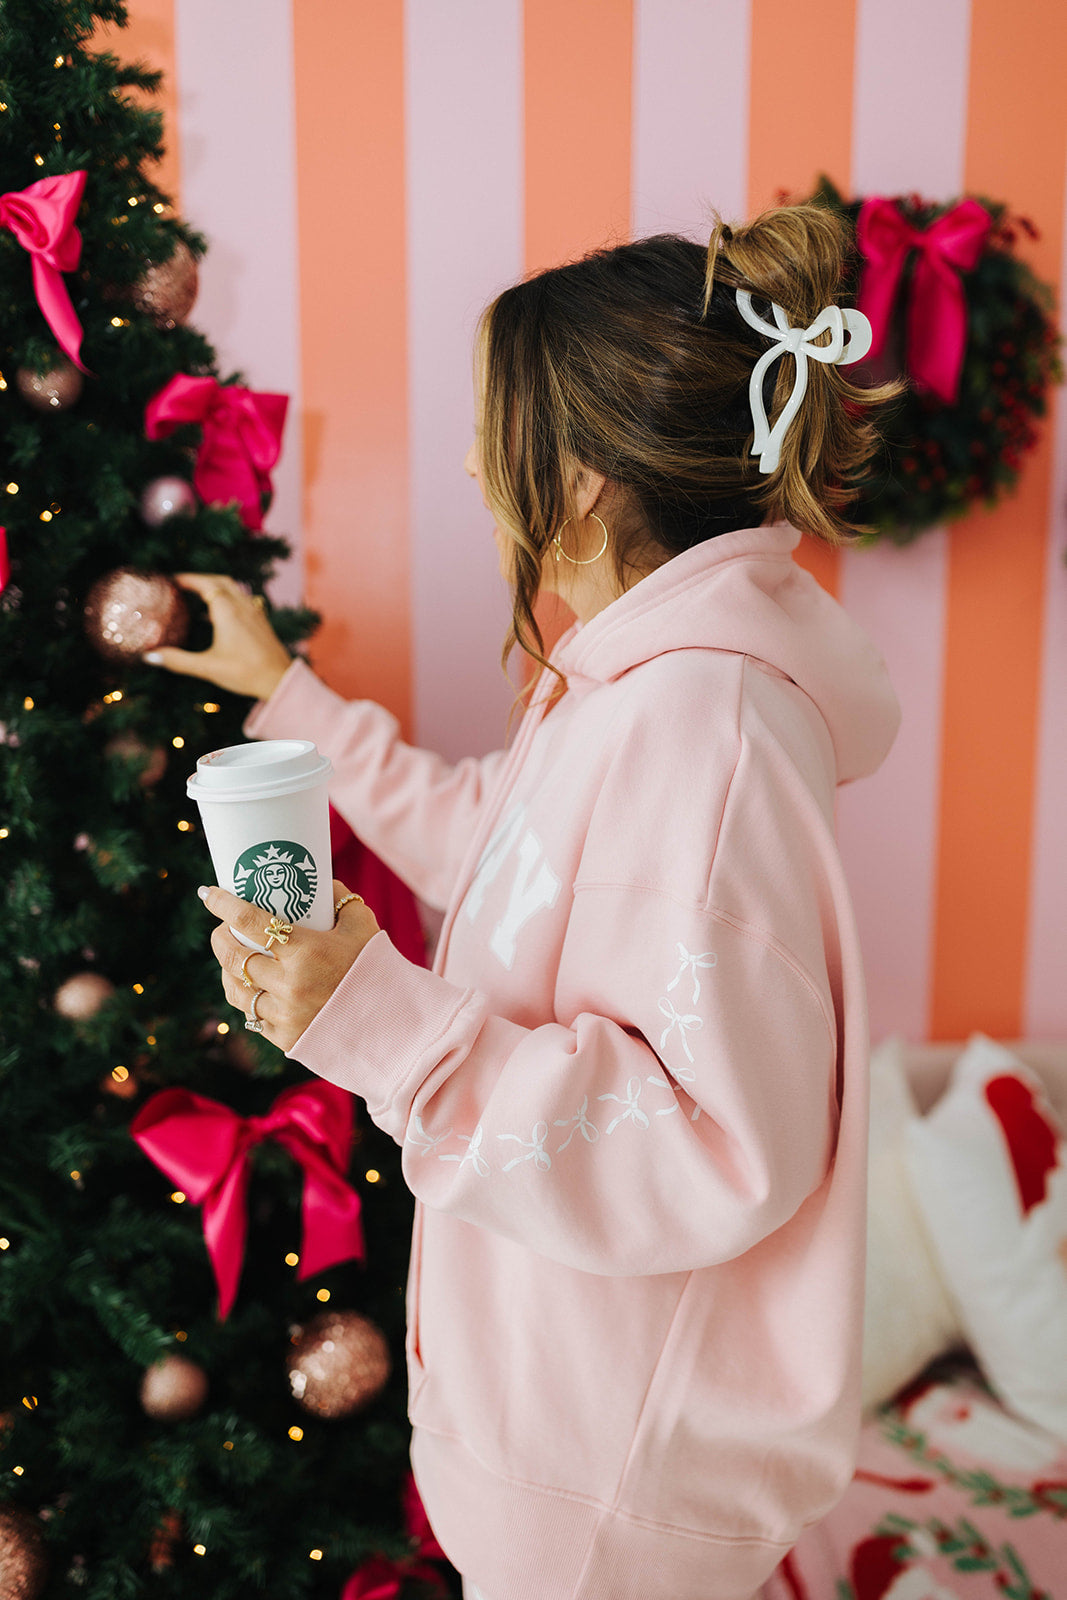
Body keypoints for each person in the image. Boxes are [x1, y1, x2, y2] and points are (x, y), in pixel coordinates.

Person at [147, 204, 901, 1600]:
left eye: (501, 440)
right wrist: (286, 692)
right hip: (560, 1441)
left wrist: (387, 1027)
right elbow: (500, 850)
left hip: (607, 1487)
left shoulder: (701, 724)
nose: (487, 478)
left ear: (587, 480)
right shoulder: (627, 694)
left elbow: (716, 1142)